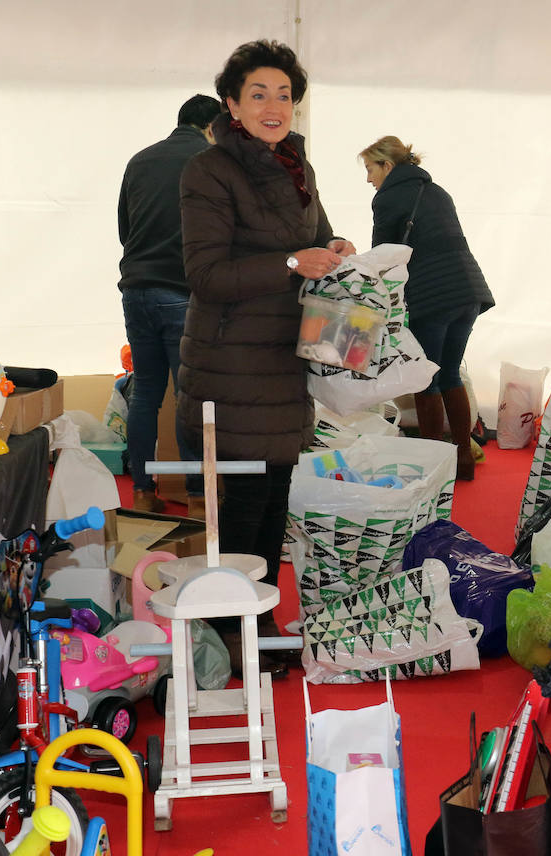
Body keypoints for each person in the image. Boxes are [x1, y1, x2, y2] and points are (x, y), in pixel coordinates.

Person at [177, 40, 355, 675]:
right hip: (231, 363)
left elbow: (313, 237)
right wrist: (288, 263)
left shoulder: (294, 167)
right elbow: (205, 274)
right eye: (259, 93)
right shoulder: (209, 171)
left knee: (274, 493)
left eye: (284, 95)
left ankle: (257, 612)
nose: (274, 105)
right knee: (244, 499)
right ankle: (231, 625)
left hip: (284, 360)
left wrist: (331, 246)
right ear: (232, 103)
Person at [360, 136, 494, 481]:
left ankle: (433, 463)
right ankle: (463, 456)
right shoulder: (437, 191)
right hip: (468, 290)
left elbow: (384, 255)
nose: (368, 178)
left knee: (425, 378)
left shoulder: (388, 197)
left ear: (387, 165)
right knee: (449, 372)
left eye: (370, 169)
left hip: (432, 294)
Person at [117, 94, 218, 517]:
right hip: (180, 293)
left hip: (135, 289)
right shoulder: (208, 162)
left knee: (145, 396)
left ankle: (142, 491)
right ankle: (197, 496)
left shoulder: (139, 160)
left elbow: (125, 228)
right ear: (212, 127)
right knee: (188, 396)